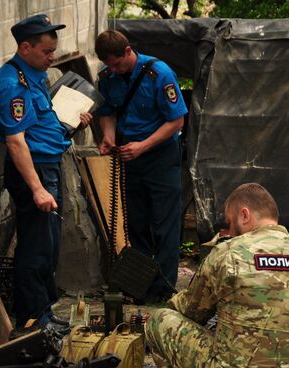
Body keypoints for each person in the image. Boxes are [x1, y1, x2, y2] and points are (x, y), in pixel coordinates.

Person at [145, 183, 289, 367]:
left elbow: (190, 310)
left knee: (160, 319)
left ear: (244, 215)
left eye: (230, 222)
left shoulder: (228, 253)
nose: (230, 231)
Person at [0, 14, 92, 330]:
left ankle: (44, 312)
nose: (53, 57)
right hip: (33, 172)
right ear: (25, 47)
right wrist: (37, 189)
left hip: (49, 165)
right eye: (47, 51)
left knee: (49, 245)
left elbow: (40, 122)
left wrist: (71, 124)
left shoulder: (34, 75)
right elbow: (17, 142)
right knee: (35, 247)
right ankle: (32, 319)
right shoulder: (11, 84)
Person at [95, 30, 188, 302]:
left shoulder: (159, 74)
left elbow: (177, 121)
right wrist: (109, 137)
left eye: (117, 64)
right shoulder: (107, 77)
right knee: (136, 222)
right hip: (129, 155)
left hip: (160, 154)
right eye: (108, 65)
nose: (113, 69)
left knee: (164, 224)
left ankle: (164, 288)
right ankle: (142, 284)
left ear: (127, 51)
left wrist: (143, 146)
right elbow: (108, 112)